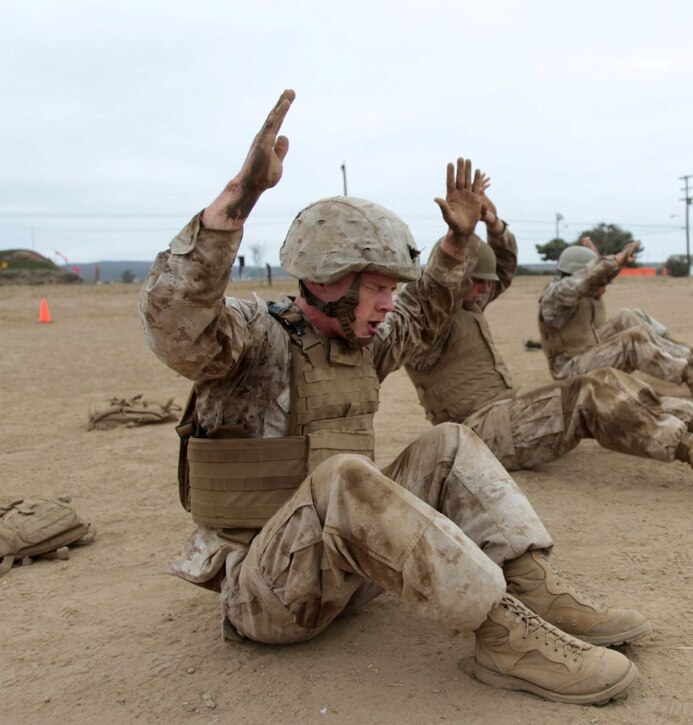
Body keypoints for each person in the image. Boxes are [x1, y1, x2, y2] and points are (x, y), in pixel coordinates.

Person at [139, 90, 643, 706]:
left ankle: (533, 588)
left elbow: (426, 312)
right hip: (266, 592)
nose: (387, 304)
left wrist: (456, 245)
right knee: (346, 477)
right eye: (376, 288)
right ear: (325, 281)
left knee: (451, 444)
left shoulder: (362, 343)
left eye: (390, 289)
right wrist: (234, 206)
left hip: (344, 576)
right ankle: (501, 636)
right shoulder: (251, 338)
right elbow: (179, 324)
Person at [404, 192, 693, 494]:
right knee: (589, 392)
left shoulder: (468, 303)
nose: (487, 288)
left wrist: (494, 226)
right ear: (459, 277)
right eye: (478, 281)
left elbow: (503, 270)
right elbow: (433, 293)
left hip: (502, 415)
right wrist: (456, 244)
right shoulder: (427, 323)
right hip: (476, 432)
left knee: (608, 377)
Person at [538, 244, 693, 397]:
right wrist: (614, 261)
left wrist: (620, 261)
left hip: (587, 352)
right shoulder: (555, 296)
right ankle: (691, 378)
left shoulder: (573, 289)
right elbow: (582, 282)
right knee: (632, 340)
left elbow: (590, 277)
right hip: (571, 372)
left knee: (627, 317)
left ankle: (689, 362)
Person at [574, 236, 693, 357]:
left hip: (597, 337)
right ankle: (679, 354)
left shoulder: (582, 282)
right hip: (590, 350)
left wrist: (597, 249)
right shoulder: (572, 289)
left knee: (636, 313)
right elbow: (600, 269)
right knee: (627, 317)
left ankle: (672, 343)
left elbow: (600, 267)